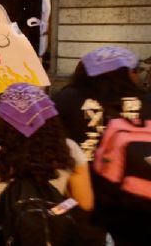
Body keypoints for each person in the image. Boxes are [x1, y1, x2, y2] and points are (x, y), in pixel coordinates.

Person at [0, 83, 94, 246]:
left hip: (5, 226)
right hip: (51, 229)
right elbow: (85, 203)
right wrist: (57, 209)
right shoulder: (69, 148)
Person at [52, 46, 151, 245]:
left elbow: (51, 145)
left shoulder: (66, 99)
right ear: (123, 73)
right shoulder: (147, 102)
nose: (138, 75)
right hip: (135, 203)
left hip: (79, 197)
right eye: (135, 70)